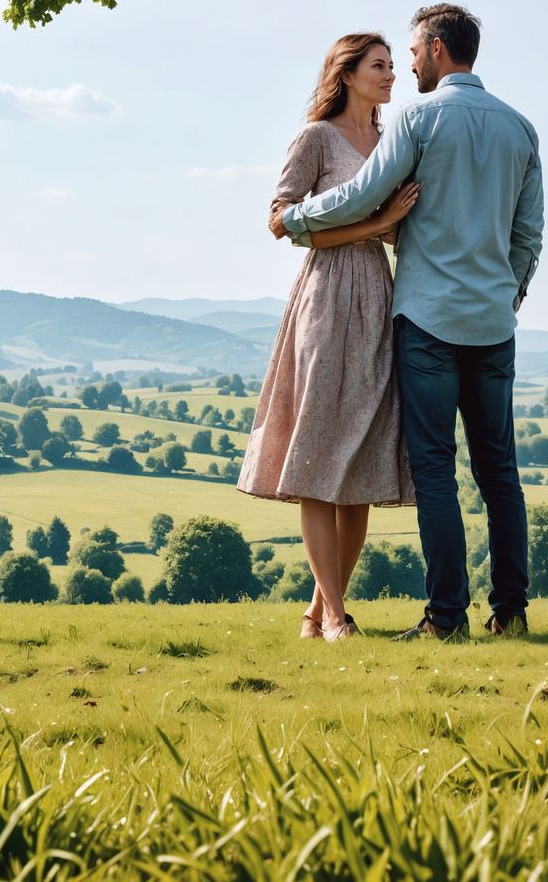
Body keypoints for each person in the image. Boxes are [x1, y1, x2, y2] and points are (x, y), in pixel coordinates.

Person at [271, 3, 543, 640]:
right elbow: (527, 235)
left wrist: (298, 220)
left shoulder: (419, 118)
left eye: (414, 54)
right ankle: (511, 612)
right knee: (499, 471)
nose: (408, 66)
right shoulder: (521, 128)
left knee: (435, 472)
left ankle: (446, 619)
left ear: (438, 51)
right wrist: (509, 297)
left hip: (427, 320)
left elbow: (366, 194)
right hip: (493, 323)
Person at [238, 32, 419, 642]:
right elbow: (279, 220)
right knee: (317, 451)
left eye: (394, 65)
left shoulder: (396, 141)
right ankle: (337, 615)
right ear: (347, 74)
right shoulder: (315, 138)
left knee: (361, 459)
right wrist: (378, 221)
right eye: (379, 65)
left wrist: (394, 226)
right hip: (325, 294)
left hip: (378, 292)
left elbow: (402, 227)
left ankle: (318, 611)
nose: (392, 74)